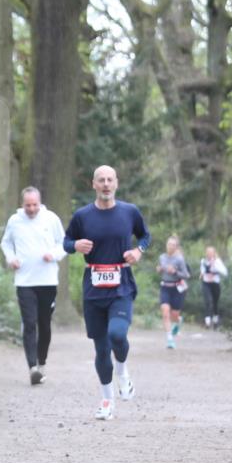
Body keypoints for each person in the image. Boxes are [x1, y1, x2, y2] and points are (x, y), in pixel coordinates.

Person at [63, 165, 151, 421]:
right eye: (101, 180)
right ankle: (107, 400)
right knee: (101, 350)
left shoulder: (129, 212)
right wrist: (75, 245)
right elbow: (66, 242)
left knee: (117, 334)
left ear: (116, 183)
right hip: (93, 289)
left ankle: (123, 372)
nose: (105, 184)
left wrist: (138, 251)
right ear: (94, 184)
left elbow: (145, 236)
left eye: (109, 180)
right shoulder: (82, 216)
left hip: (121, 285)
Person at [0, 186, 66, 385]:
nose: (31, 209)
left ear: (40, 202)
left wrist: (52, 255)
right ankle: (32, 368)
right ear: (22, 204)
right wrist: (11, 259)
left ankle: (42, 362)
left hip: (47, 280)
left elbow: (64, 243)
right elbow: (6, 244)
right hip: (24, 280)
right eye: (27, 205)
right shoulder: (14, 220)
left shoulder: (51, 219)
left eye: (34, 205)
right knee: (29, 323)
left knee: (44, 324)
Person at [156, 235, 190, 349]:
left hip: (177, 288)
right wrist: (160, 270)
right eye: (169, 244)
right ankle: (170, 339)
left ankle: (177, 321)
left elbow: (186, 275)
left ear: (176, 247)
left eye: (173, 245)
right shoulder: (162, 257)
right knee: (165, 313)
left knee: (174, 315)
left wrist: (175, 272)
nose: (170, 246)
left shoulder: (179, 259)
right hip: (165, 286)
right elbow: (161, 271)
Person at [199, 246, 228, 329]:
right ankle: (207, 322)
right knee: (208, 301)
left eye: (211, 253)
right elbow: (202, 271)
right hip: (206, 283)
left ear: (214, 253)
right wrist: (202, 274)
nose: (209, 254)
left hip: (215, 284)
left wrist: (215, 266)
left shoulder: (217, 261)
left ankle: (215, 320)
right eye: (208, 253)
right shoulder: (203, 261)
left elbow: (225, 272)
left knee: (215, 302)